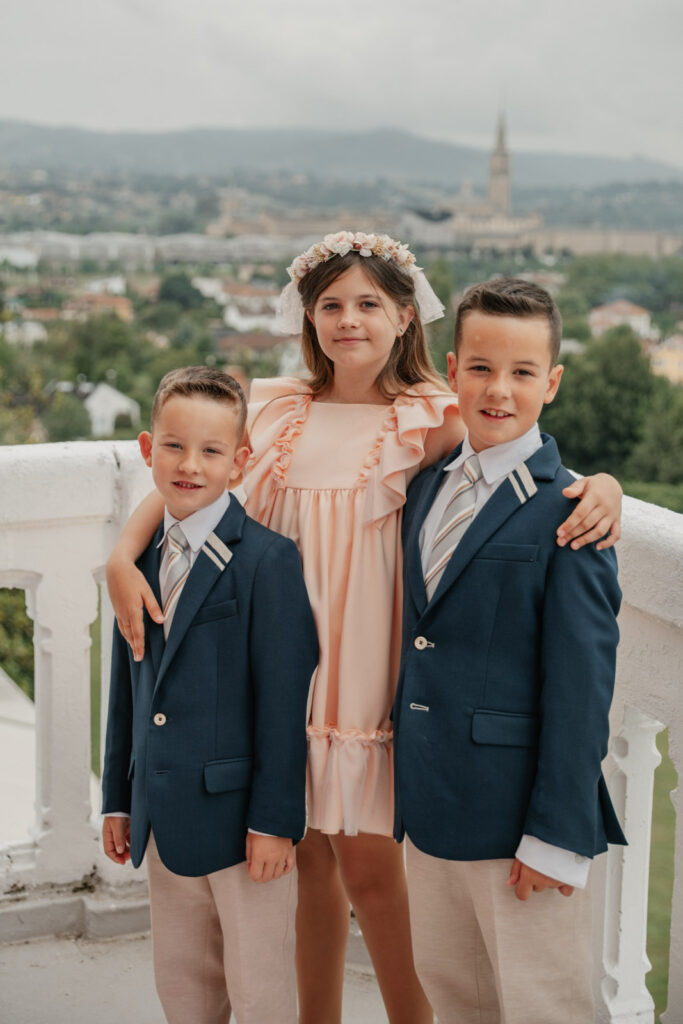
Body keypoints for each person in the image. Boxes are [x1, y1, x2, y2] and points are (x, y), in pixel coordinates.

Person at [106, 234, 623, 1024]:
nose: (348, 320)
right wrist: (123, 551)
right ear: (308, 317)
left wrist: (607, 489)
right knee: (305, 864)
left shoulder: (431, 414)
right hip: (277, 668)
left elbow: (514, 460)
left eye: (368, 304)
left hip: (368, 671)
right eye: (331, 305)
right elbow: (196, 479)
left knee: (374, 873)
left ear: (405, 315)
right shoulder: (280, 409)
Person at [393, 277, 627, 1024]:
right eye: (481, 368)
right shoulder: (426, 488)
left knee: (540, 1005)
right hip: (428, 808)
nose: (499, 390)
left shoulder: (571, 514)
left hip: (516, 822)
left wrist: (555, 836)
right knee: (455, 998)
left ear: (550, 383)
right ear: (452, 369)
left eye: (522, 373)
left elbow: (581, 689)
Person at [101, 366, 318, 1024]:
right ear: (147, 448)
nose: (189, 465)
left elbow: (283, 707)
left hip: (241, 827)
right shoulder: (137, 563)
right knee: (184, 984)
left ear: (240, 461)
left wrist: (274, 824)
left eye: (211, 450)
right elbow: (127, 687)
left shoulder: (268, 562)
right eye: (173, 446)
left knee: (258, 989)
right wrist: (117, 796)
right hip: (163, 815)